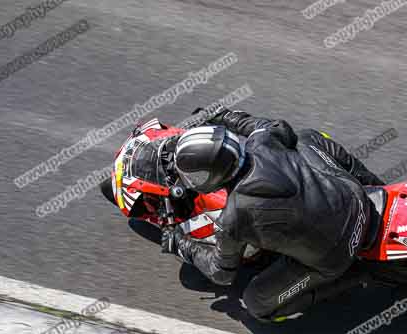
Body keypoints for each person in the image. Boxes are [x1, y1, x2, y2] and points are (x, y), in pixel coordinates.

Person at [160, 106, 386, 322]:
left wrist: (181, 244)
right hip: (358, 199)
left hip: (337, 255)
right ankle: (378, 187)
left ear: (212, 175)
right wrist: (220, 115)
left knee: (256, 304)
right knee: (307, 138)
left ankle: (357, 275)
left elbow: (221, 273)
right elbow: (275, 127)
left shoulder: (232, 219)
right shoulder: (263, 141)